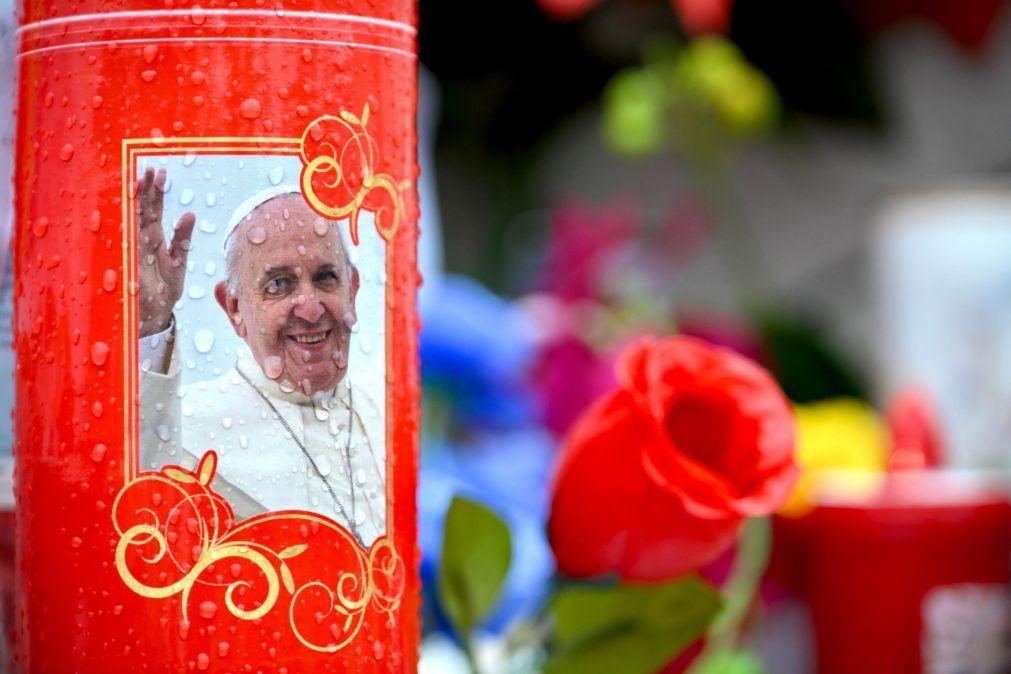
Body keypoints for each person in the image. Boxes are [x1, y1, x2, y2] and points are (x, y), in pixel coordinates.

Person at [137, 166, 385, 547]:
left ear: (351, 287)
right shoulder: (185, 430)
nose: (309, 306)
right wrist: (152, 325)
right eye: (278, 285)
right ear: (234, 308)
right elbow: (142, 514)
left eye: (325, 278)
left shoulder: (389, 408)